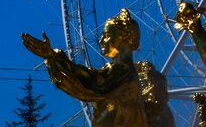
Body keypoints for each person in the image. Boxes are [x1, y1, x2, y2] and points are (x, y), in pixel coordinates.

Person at [22, 8, 176, 126]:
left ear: (123, 39)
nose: (101, 40)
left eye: (107, 35)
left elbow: (86, 82)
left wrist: (51, 56)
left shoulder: (120, 73)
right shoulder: (127, 74)